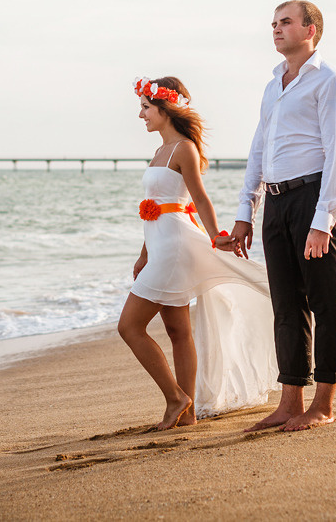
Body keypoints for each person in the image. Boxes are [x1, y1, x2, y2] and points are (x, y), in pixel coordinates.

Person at [119, 77, 278, 431]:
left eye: (146, 107)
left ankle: (176, 398)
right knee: (178, 331)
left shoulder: (184, 149)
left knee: (129, 327)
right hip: (160, 246)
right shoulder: (160, 151)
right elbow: (157, 208)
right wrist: (143, 253)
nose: (141, 114)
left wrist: (215, 235)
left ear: (165, 109)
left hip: (174, 249)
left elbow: (197, 199)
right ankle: (187, 413)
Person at [232, 0, 336, 433]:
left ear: (311, 29)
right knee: (286, 306)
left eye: (285, 22)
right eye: (273, 23)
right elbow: (259, 149)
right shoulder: (273, 86)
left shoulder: (329, 80)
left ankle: (323, 405)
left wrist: (324, 219)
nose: (276, 29)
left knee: (325, 302)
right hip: (276, 201)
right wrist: (245, 210)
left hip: (313, 198)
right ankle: (289, 403)